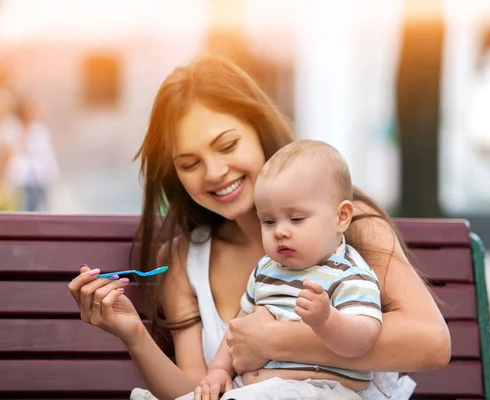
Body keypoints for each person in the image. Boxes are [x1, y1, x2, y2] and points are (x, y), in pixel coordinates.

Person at [67, 56, 450, 400]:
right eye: (189, 164)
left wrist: (273, 340)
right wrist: (134, 333)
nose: (215, 172)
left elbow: (432, 344)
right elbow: (199, 392)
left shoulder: (351, 225)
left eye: (228, 144)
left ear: (258, 128)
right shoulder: (186, 260)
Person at [194, 140, 383, 400]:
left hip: (321, 392)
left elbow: (362, 341)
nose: (280, 231)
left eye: (296, 219)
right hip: (257, 390)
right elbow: (239, 328)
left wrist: (327, 320)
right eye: (269, 221)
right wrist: (218, 369)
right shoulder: (265, 270)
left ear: (341, 217)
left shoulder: (350, 275)